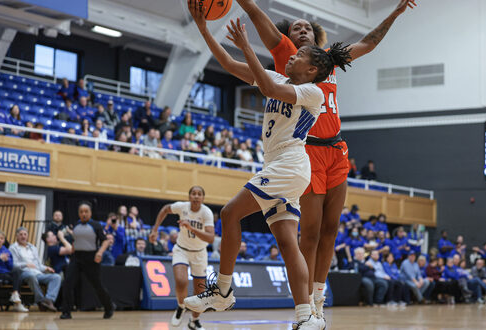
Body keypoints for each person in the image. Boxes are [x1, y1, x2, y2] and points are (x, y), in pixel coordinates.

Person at [234, 0, 416, 319]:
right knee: (312, 231)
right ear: (288, 38)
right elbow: (256, 15)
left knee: (332, 228)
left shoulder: (329, 61)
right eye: (295, 27)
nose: (302, 29)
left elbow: (368, 43)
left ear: (316, 34)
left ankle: (319, 296)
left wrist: (396, 12)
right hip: (309, 150)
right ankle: (304, 306)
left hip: (337, 149)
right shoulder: (285, 57)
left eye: (307, 26)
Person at [185, 4, 351, 329]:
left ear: (312, 69)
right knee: (289, 243)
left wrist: (248, 47)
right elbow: (228, 64)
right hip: (282, 166)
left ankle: (221, 290)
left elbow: (272, 90)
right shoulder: (276, 75)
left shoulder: (312, 93)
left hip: (290, 165)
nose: (291, 55)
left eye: (300, 55)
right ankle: (307, 317)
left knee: (229, 214)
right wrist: (204, 28)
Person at [150, 186, 214, 329]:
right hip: (181, 250)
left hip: (199, 252)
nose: (196, 196)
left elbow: (210, 238)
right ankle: (180, 306)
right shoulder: (182, 207)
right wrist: (155, 230)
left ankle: (194, 321)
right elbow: (165, 209)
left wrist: (191, 228)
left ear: (203, 198)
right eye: (193, 193)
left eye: (199, 194)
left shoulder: (206, 213)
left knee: (200, 292)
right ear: (189, 196)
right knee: (181, 280)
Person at [60, 202, 114, 320]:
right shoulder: (76, 224)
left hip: (91, 258)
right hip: (76, 258)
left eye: (86, 211)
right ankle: (66, 312)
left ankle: (109, 307)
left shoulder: (96, 225)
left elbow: (105, 241)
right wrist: (73, 249)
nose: (83, 214)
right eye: (81, 212)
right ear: (79, 213)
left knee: (97, 285)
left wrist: (99, 253)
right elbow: (76, 240)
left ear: (90, 213)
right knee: (68, 283)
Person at [9, 227, 61, 312]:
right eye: (21, 234)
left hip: (37, 273)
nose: (23, 236)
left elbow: (38, 265)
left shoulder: (32, 247)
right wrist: (25, 264)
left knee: (56, 277)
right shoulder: (13, 248)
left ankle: (48, 300)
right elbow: (13, 265)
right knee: (31, 276)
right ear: (17, 236)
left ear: (28, 236)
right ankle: (40, 301)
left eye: (25, 234)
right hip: (23, 273)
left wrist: (46, 268)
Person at [0, 230, 28, 312]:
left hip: (5, 272)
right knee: (11, 278)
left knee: (17, 272)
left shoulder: (6, 250)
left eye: (1, 238)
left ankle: (15, 296)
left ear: (4, 240)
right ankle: (16, 301)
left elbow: (10, 267)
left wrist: (7, 261)